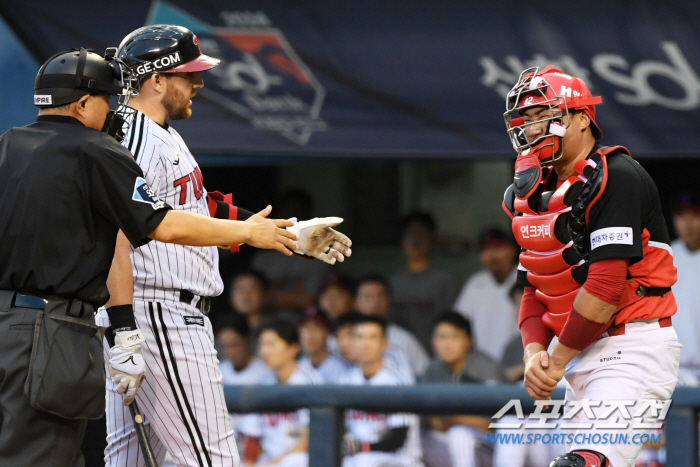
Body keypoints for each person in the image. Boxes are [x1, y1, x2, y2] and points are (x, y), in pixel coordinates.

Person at [0, 47, 296, 467]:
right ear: (84, 103)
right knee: (44, 456)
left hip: (7, 323)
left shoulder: (7, 145)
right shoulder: (96, 148)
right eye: (106, 99)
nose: (114, 110)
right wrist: (249, 232)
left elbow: (187, 206)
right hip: (56, 328)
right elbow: (161, 223)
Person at [99, 24, 352, 467]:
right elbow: (122, 227)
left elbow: (195, 210)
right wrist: (123, 326)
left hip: (156, 313)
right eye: (188, 74)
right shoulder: (134, 135)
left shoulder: (160, 133)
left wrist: (285, 233)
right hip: (158, 312)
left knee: (130, 461)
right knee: (211, 460)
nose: (199, 83)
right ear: (156, 80)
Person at [502, 65, 679, 467]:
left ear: (581, 119)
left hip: (632, 345)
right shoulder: (530, 193)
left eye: (544, 115)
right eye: (526, 119)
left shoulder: (615, 175)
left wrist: (556, 359)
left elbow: (604, 288)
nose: (533, 128)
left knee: (583, 463)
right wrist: (534, 354)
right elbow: (534, 283)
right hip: (580, 351)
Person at [339, 316, 423, 467]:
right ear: (352, 342)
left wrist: (361, 447)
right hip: (358, 457)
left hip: (400, 459)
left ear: (385, 343)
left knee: (365, 462)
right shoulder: (346, 380)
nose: (365, 344)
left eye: (373, 338)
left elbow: (398, 438)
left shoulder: (398, 381)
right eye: (360, 337)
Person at [239, 317, 323, 467]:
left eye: (271, 344)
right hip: (269, 459)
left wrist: (273, 463)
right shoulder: (262, 384)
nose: (264, 351)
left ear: (293, 348)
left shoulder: (310, 381)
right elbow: (252, 435)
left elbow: (310, 438)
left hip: (301, 459)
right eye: (262, 344)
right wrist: (249, 463)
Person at [421, 312, 501, 467]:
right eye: (442, 337)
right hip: (449, 440)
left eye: (455, 337)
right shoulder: (433, 369)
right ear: (433, 341)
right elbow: (427, 416)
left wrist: (452, 419)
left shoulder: (486, 368)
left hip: (498, 444)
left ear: (468, 341)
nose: (447, 344)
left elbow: (495, 424)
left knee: (460, 435)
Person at [252, 189, 335, 311]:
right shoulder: (263, 258)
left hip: (305, 322)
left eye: (298, 212)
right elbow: (254, 299)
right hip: (266, 320)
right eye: (287, 211)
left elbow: (310, 299)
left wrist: (272, 296)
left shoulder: (318, 257)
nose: (292, 219)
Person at [389, 212, 459, 353]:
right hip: (399, 356)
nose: (415, 239)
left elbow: (454, 324)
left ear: (432, 239)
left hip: (435, 356)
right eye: (410, 234)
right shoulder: (394, 282)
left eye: (421, 233)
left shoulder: (445, 281)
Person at [453, 227, 519, 361]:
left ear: (513, 250)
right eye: (486, 250)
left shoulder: (527, 278)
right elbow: (457, 324)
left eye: (498, 248)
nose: (492, 255)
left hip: (520, 362)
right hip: (482, 364)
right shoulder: (476, 283)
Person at [217, 313, 273, 461]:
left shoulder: (265, 371)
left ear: (248, 339)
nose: (230, 351)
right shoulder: (218, 370)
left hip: (257, 444)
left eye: (235, 344)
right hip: (224, 443)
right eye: (226, 346)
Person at [354, 276, 430, 377]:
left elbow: (424, 373)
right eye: (368, 297)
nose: (375, 302)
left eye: (380, 296)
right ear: (356, 303)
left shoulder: (404, 339)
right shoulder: (344, 337)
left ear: (389, 300)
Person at [669, 194, 700, 385]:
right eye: (681, 216)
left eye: (694, 215)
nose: (687, 223)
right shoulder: (667, 255)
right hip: (676, 369)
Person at [298, 306, 350, 383]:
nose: (310, 335)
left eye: (316, 328)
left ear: (326, 332)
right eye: (305, 328)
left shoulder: (341, 367)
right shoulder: (297, 367)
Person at [501, 284, 526, 383]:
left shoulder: (562, 338)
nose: (520, 310)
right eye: (517, 304)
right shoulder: (513, 346)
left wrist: (523, 369)